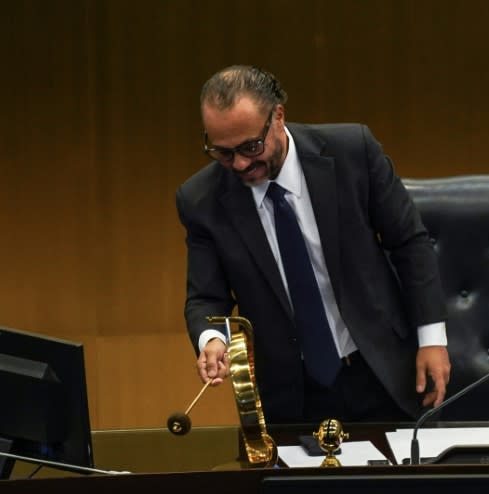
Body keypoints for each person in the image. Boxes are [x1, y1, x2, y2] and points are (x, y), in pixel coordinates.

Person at [176, 65, 451, 422]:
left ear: (278, 117)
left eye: (251, 147)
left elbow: (409, 243)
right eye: (223, 153)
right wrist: (212, 339)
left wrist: (431, 338)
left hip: (382, 370)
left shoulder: (352, 151)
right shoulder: (201, 199)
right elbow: (206, 297)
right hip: (293, 394)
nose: (241, 163)